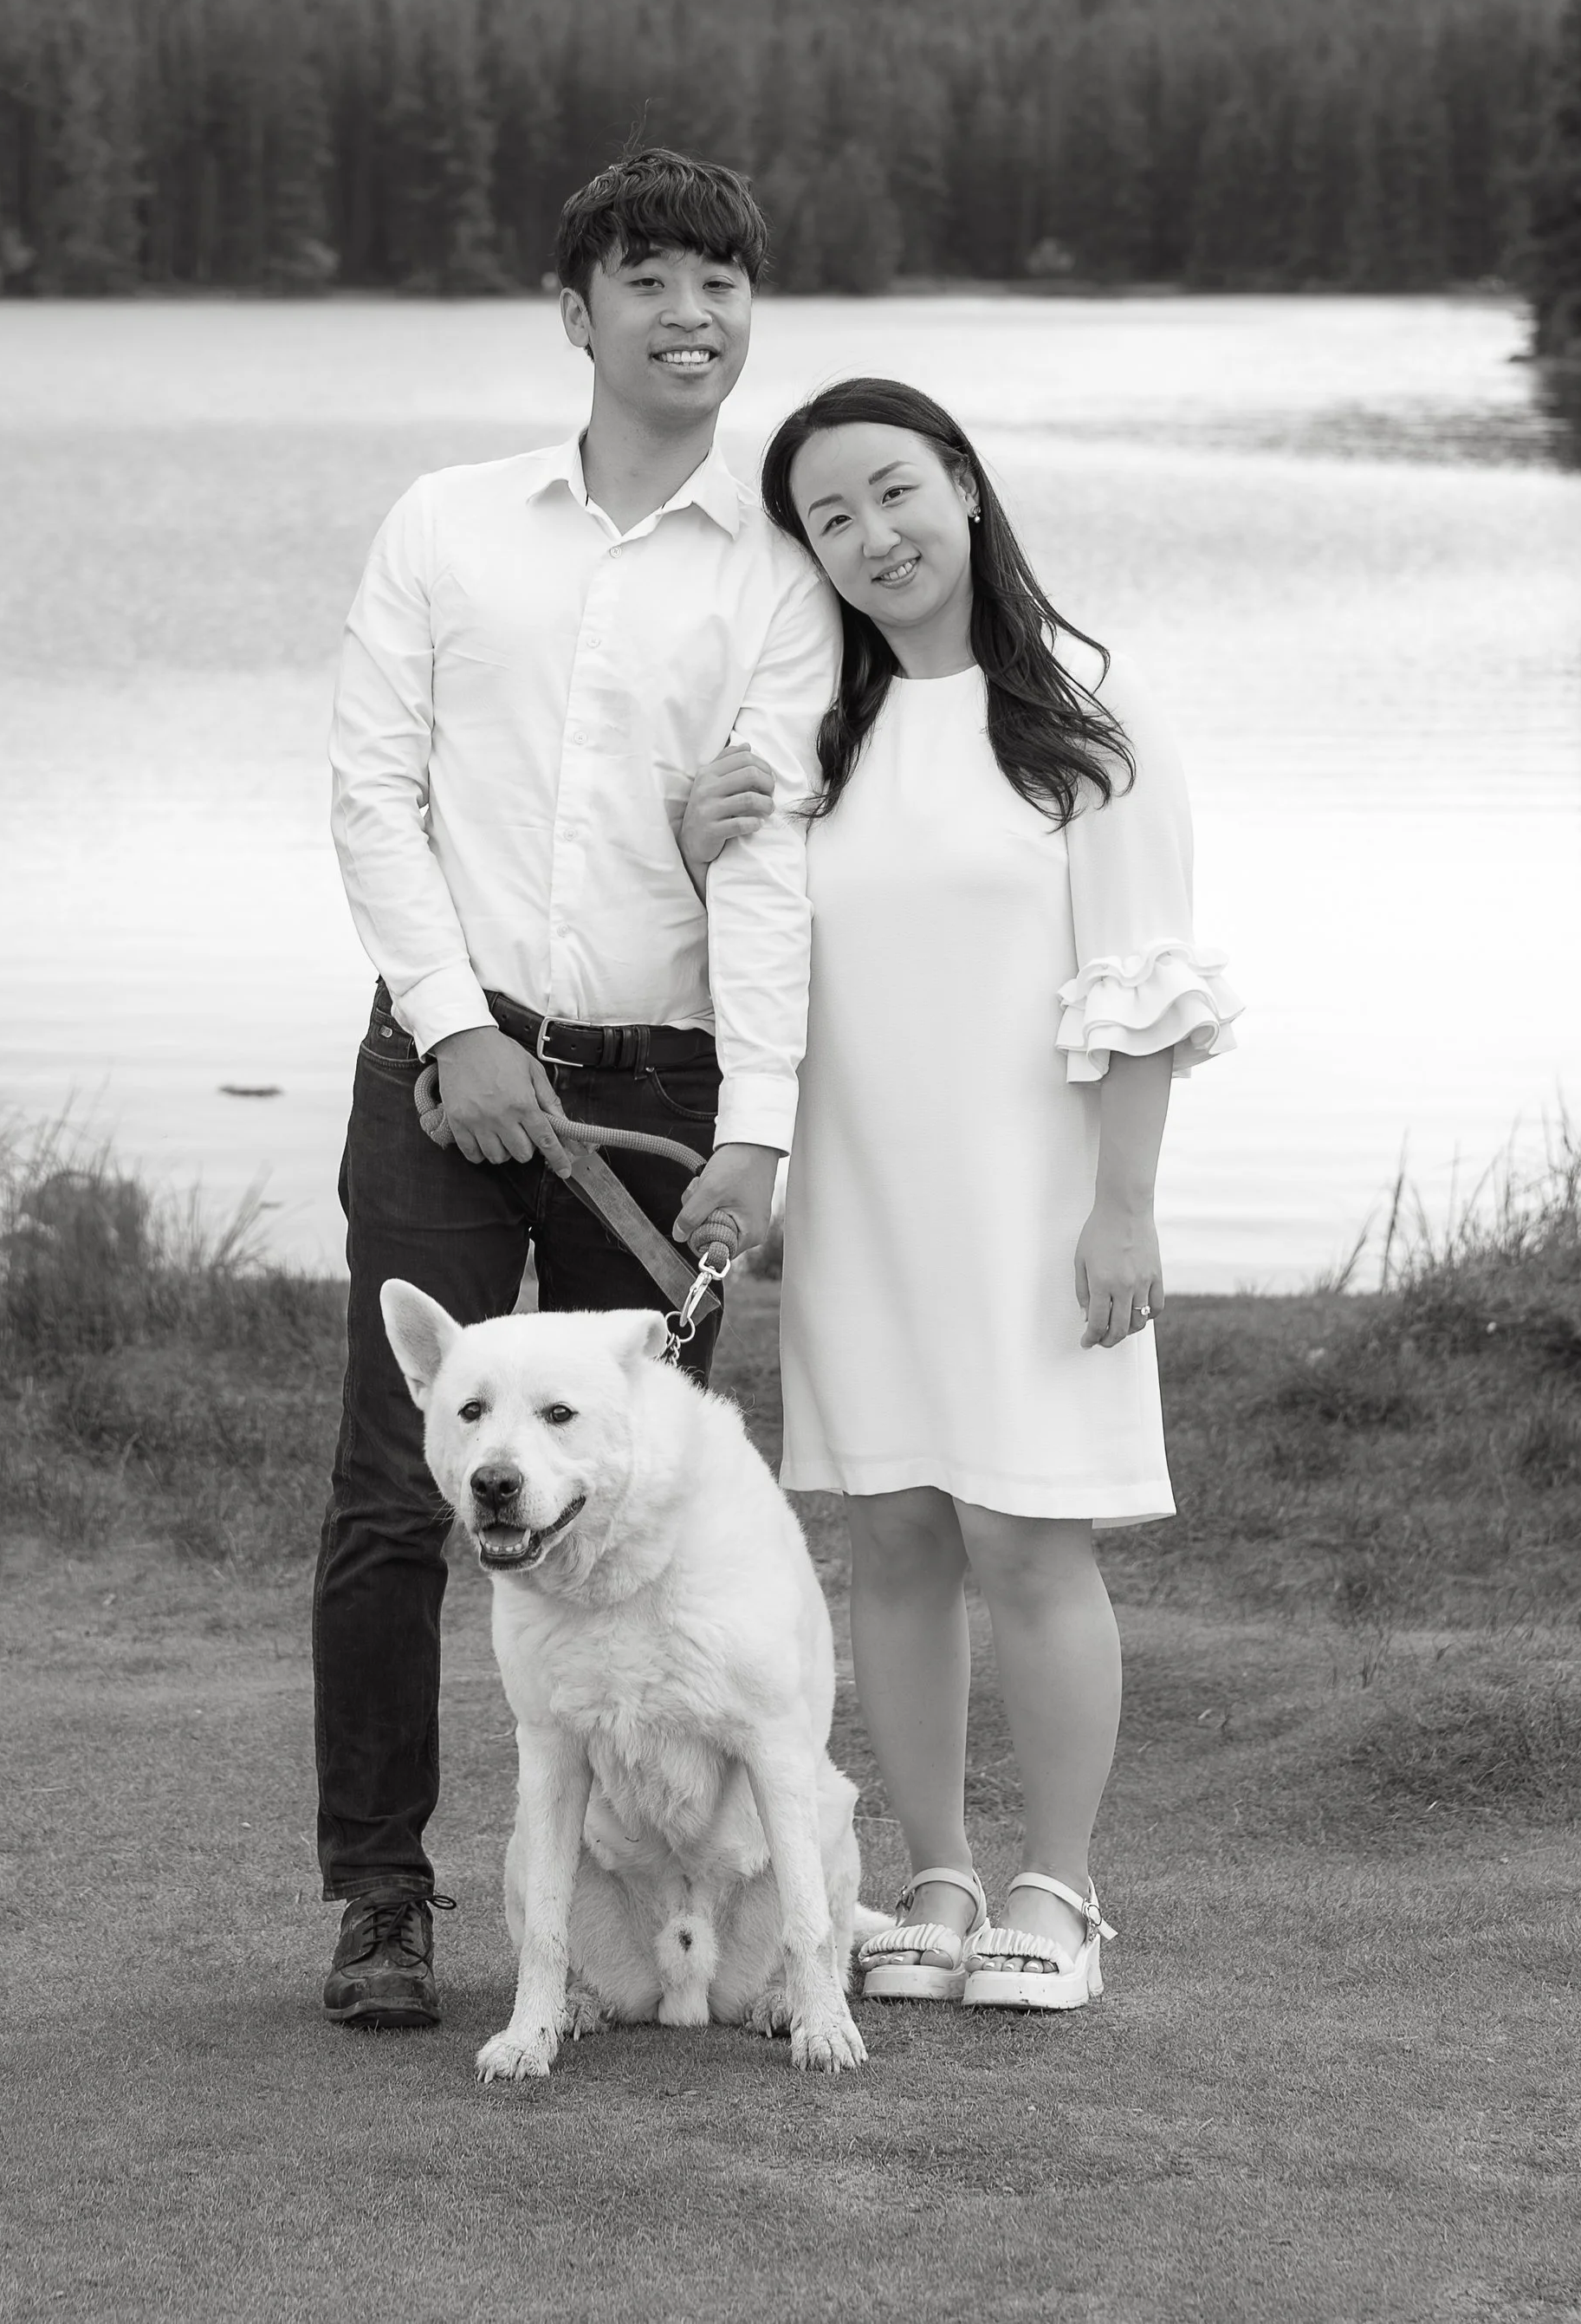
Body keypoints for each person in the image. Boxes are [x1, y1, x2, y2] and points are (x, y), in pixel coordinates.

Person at [315, 148, 839, 2030]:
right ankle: (381, 1902)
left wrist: (759, 1128)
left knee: (653, 1501)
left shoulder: (780, 576)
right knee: (403, 1489)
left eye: (721, 282)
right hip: (443, 1064)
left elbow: (764, 859)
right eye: (652, 281)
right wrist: (452, 1024)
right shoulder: (447, 524)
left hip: (660, 1087)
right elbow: (372, 791)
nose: (693, 315)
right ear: (576, 311)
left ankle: (690, 1913)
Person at [677, 376, 1238, 2013]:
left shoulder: (1085, 732)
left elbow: (1141, 990)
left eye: (893, 491)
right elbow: (756, 940)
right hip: (862, 1199)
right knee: (897, 1532)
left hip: (1036, 1199)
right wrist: (695, 829)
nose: (872, 537)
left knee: (1029, 1535)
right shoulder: (816, 748)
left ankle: (1056, 1896)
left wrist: (1123, 1204)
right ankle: (930, 1874)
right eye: (829, 519)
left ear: (967, 490)